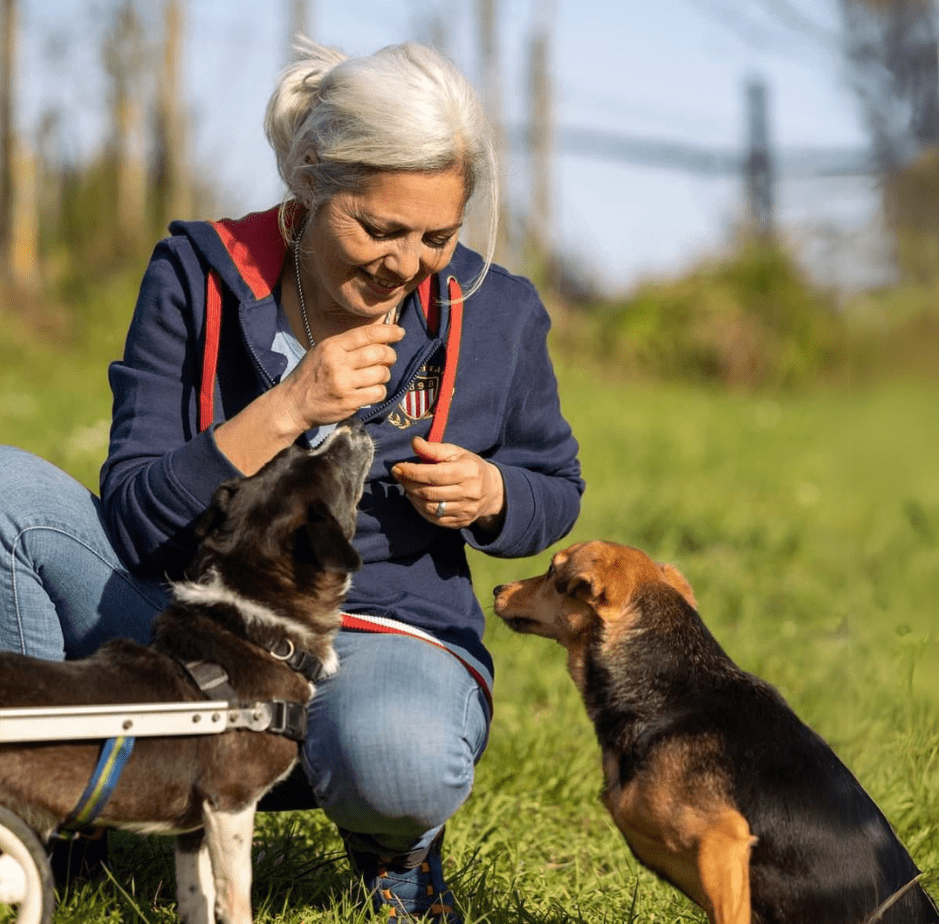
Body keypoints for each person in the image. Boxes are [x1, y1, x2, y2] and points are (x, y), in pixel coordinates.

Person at [0, 39, 583, 922]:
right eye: (379, 230)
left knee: (398, 763)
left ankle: (393, 847)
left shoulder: (497, 312)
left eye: (438, 236)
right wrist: (284, 408)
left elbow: (555, 485)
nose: (406, 264)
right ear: (307, 183)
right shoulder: (196, 276)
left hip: (375, 636)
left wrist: (494, 495)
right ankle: (58, 808)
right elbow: (130, 514)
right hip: (181, 619)